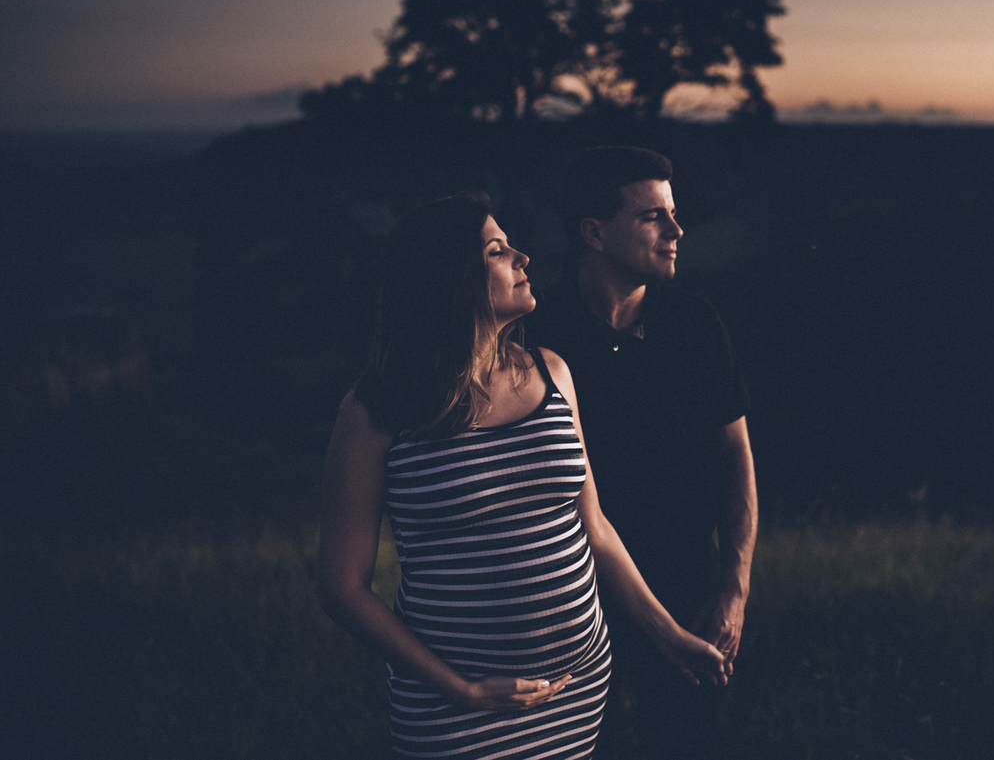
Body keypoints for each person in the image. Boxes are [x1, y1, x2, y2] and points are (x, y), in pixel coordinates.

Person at [317, 192, 726, 759]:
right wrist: (459, 688)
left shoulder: (552, 372)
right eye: (496, 250)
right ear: (449, 277)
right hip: (457, 708)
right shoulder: (374, 410)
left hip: (576, 689)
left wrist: (670, 636)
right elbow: (341, 588)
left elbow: (595, 529)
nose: (522, 258)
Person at [524, 146, 758, 759]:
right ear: (594, 232)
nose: (676, 231)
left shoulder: (695, 323)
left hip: (686, 588)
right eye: (652, 216)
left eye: (673, 213)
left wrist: (733, 585)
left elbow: (736, 455)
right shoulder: (534, 334)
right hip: (564, 595)